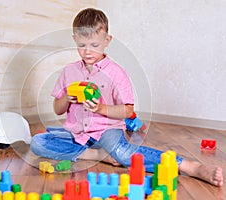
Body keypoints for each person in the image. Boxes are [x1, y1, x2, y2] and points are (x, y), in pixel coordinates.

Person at [30, 8, 223, 187]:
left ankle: (189, 166)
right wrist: (66, 99)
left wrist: (100, 109)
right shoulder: (69, 71)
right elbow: (57, 108)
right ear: (74, 40)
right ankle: (95, 154)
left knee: (122, 153)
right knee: (37, 143)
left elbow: (127, 110)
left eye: (94, 45)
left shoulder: (116, 73)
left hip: (107, 131)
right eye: (81, 45)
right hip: (78, 133)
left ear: (107, 40)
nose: (87, 51)